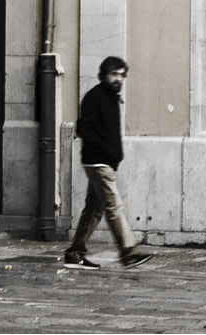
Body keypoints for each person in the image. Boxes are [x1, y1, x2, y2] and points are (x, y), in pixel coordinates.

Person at [61, 57, 153, 270]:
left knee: (94, 210)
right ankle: (128, 253)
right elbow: (85, 129)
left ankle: (75, 254)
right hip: (97, 162)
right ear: (104, 75)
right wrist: (106, 152)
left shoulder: (112, 98)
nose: (118, 78)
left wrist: (113, 156)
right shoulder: (95, 97)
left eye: (121, 74)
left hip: (104, 162)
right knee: (114, 206)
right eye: (114, 74)